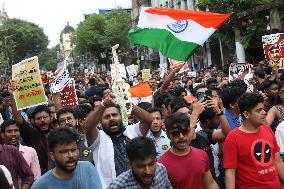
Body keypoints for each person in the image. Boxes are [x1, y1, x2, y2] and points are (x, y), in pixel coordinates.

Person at [85, 92, 153, 188]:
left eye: (114, 115)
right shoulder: (98, 138)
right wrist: (103, 105)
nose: (111, 119)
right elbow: (88, 126)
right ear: (100, 122)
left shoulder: (132, 131)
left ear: (121, 116)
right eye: (106, 117)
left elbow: (148, 120)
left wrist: (125, 102)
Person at [223, 92, 284, 189]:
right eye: (259, 110)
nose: (264, 112)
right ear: (246, 114)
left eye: (263, 109)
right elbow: (230, 173)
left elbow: (278, 162)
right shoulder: (233, 138)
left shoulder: (267, 129)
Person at [159, 112, 218, 189]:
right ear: (167, 135)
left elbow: (210, 184)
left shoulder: (202, 155)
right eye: (176, 133)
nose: (181, 136)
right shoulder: (162, 165)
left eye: (185, 132)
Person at [31, 127, 102, 189]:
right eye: (64, 152)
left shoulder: (87, 168)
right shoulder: (40, 185)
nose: (71, 155)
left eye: (73, 150)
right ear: (52, 156)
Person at [108, 137, 172, 189]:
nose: (148, 171)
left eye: (151, 164)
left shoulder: (161, 170)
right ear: (130, 165)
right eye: (140, 166)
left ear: (155, 160)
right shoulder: (118, 186)